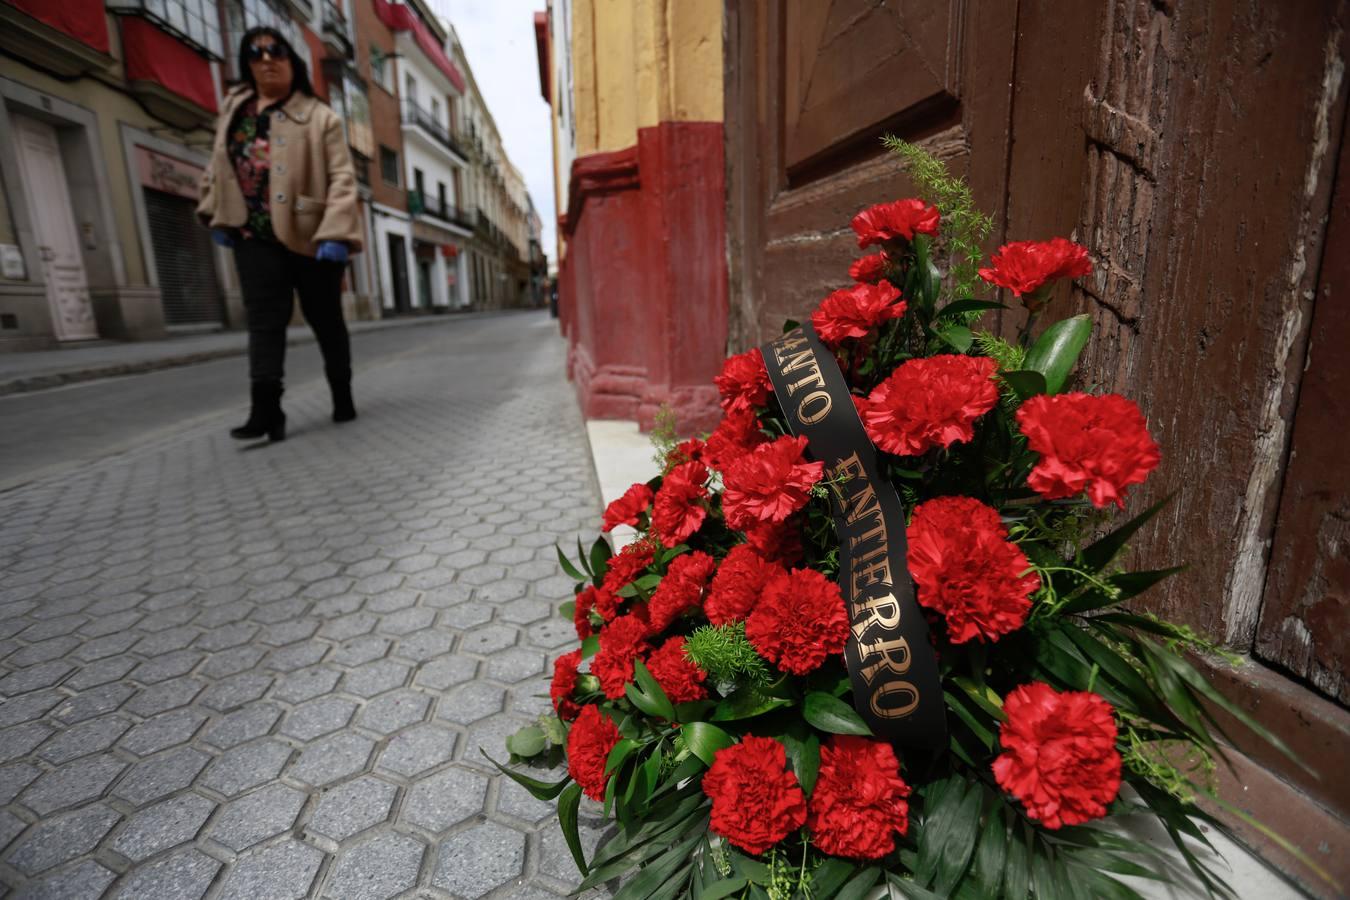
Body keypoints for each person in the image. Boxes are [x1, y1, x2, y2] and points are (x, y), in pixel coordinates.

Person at [197, 27, 362, 442]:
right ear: (246, 62)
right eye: (255, 53)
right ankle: (266, 411)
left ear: (293, 60)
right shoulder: (235, 109)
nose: (266, 59)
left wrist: (335, 233)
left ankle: (342, 396)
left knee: (326, 321)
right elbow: (217, 165)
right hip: (251, 235)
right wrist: (214, 210)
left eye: (276, 51)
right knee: (264, 323)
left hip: (311, 235)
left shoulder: (321, 116)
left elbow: (342, 178)